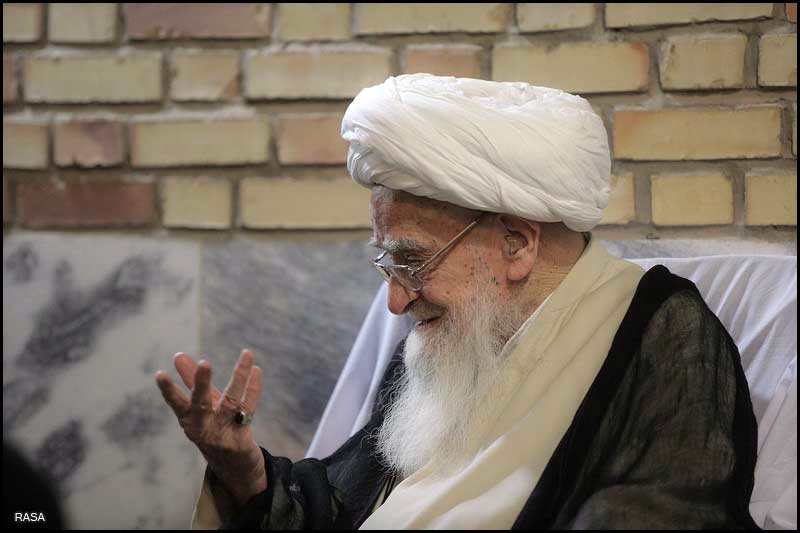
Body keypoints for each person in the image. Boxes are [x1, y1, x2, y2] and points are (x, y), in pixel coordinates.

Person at [155, 74, 759, 529]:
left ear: (518, 243)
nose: (395, 301)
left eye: (412, 261)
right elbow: (346, 504)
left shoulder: (659, 331)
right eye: (389, 262)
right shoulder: (448, 341)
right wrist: (246, 472)